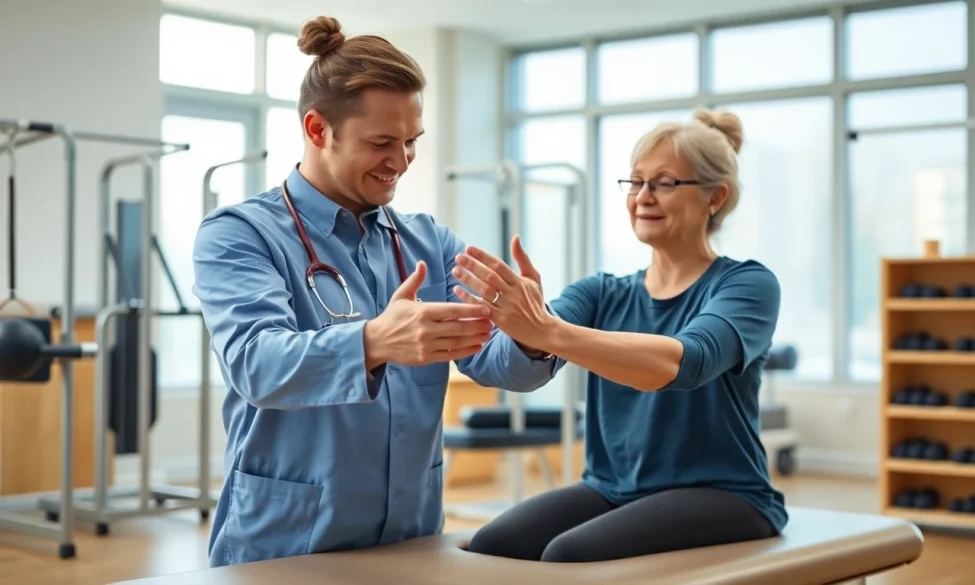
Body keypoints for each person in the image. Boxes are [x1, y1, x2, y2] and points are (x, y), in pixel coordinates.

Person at [191, 16, 559, 568]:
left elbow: (495, 363)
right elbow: (254, 363)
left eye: (412, 141)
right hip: (286, 541)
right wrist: (372, 342)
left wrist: (532, 334)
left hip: (411, 535)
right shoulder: (240, 234)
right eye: (382, 142)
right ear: (318, 130)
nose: (402, 160)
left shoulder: (426, 241)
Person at [453, 109, 787, 563]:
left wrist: (548, 330)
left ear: (715, 196)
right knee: (493, 546)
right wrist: (527, 330)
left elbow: (684, 362)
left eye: (665, 183)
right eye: (635, 182)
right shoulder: (601, 292)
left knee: (568, 554)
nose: (643, 197)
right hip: (611, 486)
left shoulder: (746, 285)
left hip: (724, 492)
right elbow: (542, 342)